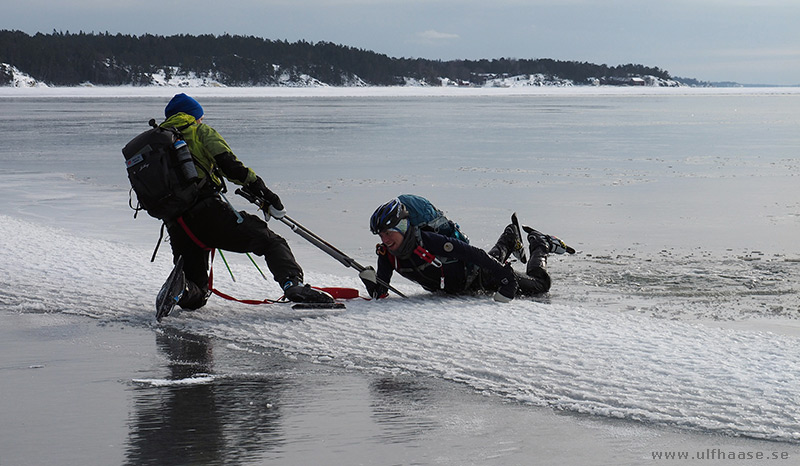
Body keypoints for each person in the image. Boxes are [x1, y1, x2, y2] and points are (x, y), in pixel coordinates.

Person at [160, 93, 333, 309]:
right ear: (193, 116)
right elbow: (231, 166)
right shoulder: (199, 132)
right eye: (200, 117)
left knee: (197, 294)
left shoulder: (159, 143)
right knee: (271, 242)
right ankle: (293, 285)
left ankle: (182, 290)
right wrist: (266, 194)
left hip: (176, 224)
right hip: (209, 215)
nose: (202, 121)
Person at [362, 196, 566, 302]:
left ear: (403, 227)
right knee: (494, 257)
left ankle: (540, 244)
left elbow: (474, 254)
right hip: (464, 281)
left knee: (541, 284)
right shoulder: (388, 254)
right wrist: (370, 282)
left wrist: (507, 279)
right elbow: (381, 292)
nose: (385, 239)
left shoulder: (430, 241)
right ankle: (511, 236)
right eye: (381, 234)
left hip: (481, 277)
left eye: (389, 232)